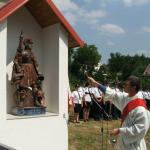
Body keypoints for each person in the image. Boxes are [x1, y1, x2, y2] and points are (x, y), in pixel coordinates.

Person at [88, 75, 150, 150]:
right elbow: (112, 94)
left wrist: (120, 130)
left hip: (134, 146)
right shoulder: (126, 98)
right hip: (123, 143)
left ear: (134, 87)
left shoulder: (141, 109)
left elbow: (140, 130)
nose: (124, 86)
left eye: (126, 85)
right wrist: (95, 83)